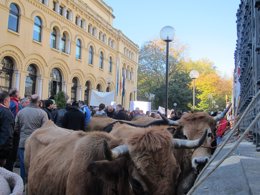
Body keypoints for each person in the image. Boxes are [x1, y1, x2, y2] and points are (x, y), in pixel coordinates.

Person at [15, 94, 48, 181]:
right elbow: (46, 130)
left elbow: (16, 128)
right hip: (37, 144)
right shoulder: (43, 113)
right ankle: (33, 183)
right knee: (35, 164)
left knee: (23, 164)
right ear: (39, 102)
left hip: (23, 142)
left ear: (30, 101)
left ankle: (22, 183)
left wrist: (22, 134)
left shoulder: (21, 112)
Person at [0, 91, 14, 168]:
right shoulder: (6, 113)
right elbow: (7, 134)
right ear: (5, 101)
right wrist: (4, 155)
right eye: (9, 101)